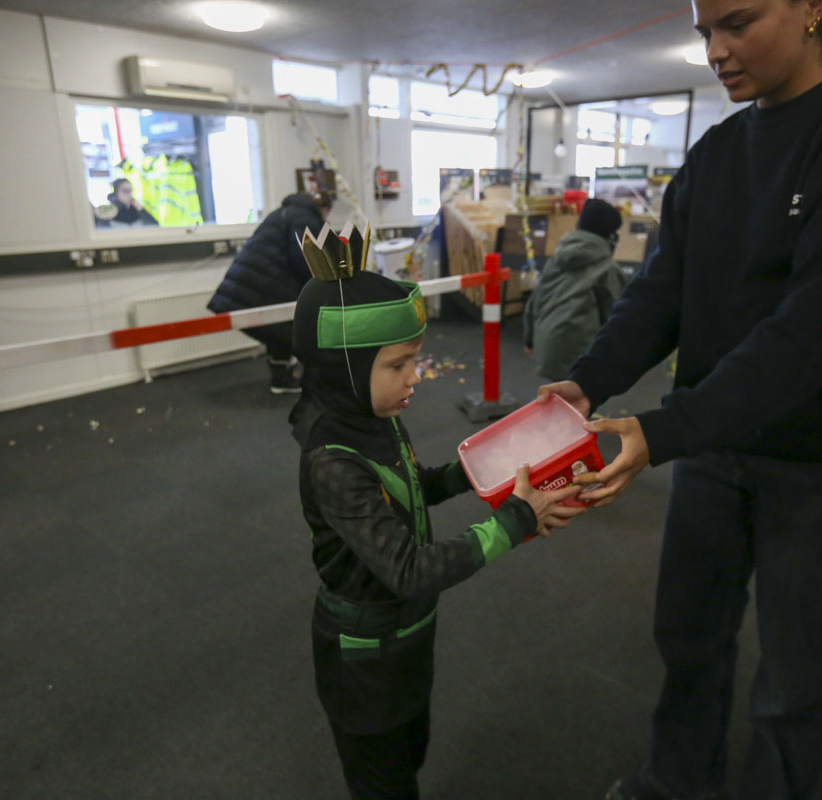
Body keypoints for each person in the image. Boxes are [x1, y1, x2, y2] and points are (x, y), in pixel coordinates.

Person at [538, 1, 822, 798]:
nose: (717, 50)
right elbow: (662, 292)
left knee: (797, 679)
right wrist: (586, 380)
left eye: (738, 23)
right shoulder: (718, 152)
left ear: (812, 7)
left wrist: (667, 427)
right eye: (704, 32)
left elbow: (819, 324)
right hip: (716, 449)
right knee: (688, 640)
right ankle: (677, 781)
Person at [290, 225, 584, 799]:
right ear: (346, 367)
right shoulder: (332, 462)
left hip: (406, 638)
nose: (415, 377)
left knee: (410, 749)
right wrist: (514, 521)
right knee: (383, 780)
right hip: (364, 659)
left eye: (415, 360)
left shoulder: (374, 417)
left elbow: (410, 487)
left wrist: (485, 469)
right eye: (397, 365)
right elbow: (409, 569)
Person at [208, 192, 332, 394]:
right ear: (324, 209)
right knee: (292, 329)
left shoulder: (282, 213)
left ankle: (281, 379)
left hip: (251, 279)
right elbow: (305, 258)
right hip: (267, 281)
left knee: (277, 331)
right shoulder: (307, 218)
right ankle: (311, 379)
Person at [523, 198, 626, 380]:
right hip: (582, 353)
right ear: (610, 236)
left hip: (547, 345)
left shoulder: (556, 260)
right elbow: (614, 318)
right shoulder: (608, 269)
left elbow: (535, 300)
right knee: (579, 394)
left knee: (558, 392)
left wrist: (529, 339)